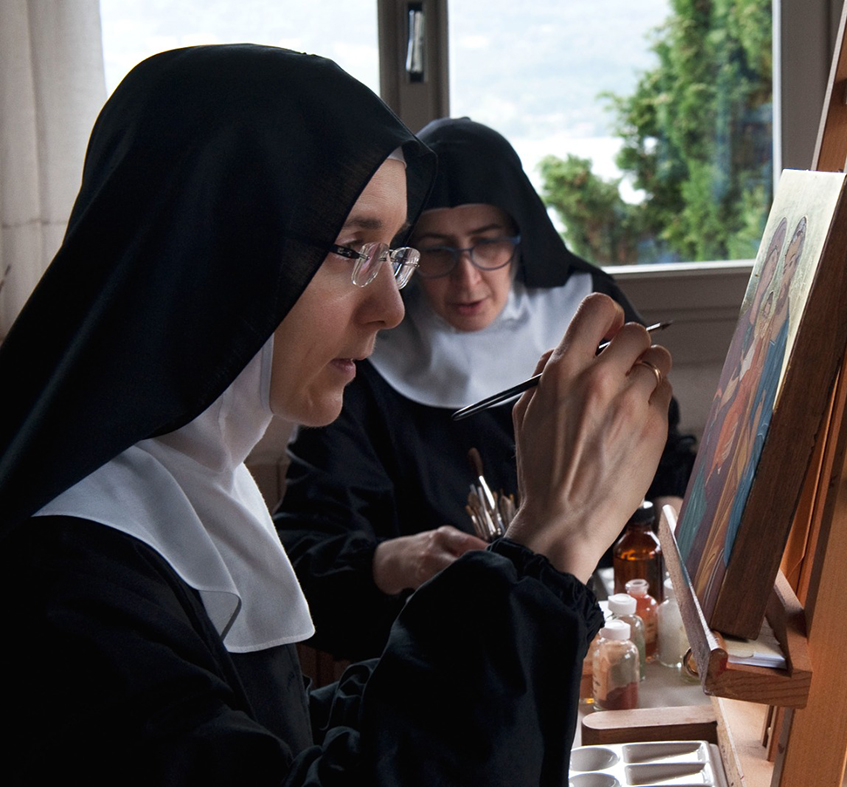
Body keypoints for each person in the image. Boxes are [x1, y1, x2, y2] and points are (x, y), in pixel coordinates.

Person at [0, 45, 673, 785]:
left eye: (392, 254)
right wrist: (549, 544)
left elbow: (271, 740)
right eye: (354, 247)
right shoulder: (63, 581)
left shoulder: (185, 483)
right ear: (217, 250)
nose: (390, 307)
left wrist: (506, 589)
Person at [275, 117, 696, 660]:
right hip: (438, 654)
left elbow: (664, 456)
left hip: (606, 635)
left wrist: (672, 528)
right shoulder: (364, 350)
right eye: (437, 251)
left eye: (487, 243)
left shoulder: (589, 311)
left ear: (523, 237)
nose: (467, 279)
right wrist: (396, 560)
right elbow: (307, 546)